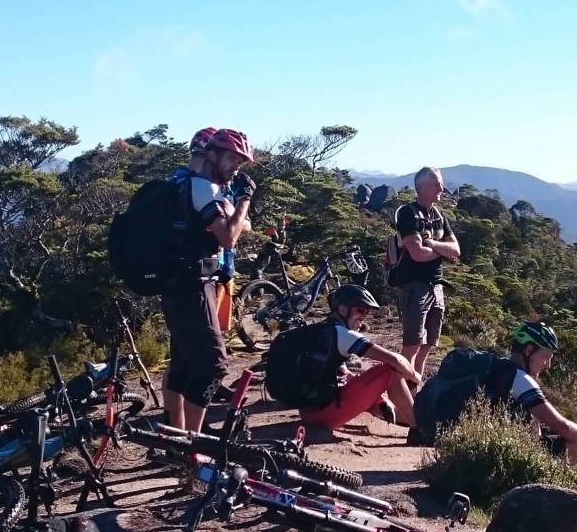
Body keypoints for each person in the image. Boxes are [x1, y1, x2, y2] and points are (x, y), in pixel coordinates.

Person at [162, 127, 255, 435]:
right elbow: (229, 237)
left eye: (240, 162)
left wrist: (234, 209)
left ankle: (176, 436)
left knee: (183, 363)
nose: (236, 167)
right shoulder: (203, 188)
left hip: (178, 280)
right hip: (194, 283)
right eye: (232, 159)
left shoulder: (184, 185)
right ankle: (193, 443)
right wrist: (243, 200)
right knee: (213, 364)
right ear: (211, 154)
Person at [417, 322, 577, 465]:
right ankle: (562, 497)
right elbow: (564, 426)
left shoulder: (497, 367)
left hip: (460, 444)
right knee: (572, 442)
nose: (548, 365)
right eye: (546, 357)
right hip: (488, 455)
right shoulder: (519, 379)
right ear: (528, 350)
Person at [268, 285, 422, 435]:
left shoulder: (325, 330)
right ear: (342, 309)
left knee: (361, 378)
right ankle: (421, 430)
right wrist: (415, 377)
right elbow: (396, 360)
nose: (364, 316)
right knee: (390, 373)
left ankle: (394, 412)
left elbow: (340, 372)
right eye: (360, 310)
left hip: (309, 411)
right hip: (325, 414)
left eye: (367, 312)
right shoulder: (343, 334)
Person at [392, 167, 460, 377]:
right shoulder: (407, 213)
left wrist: (431, 243)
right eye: (436, 183)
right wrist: (441, 250)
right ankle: (399, 397)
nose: (441, 187)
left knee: (427, 347)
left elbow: (456, 250)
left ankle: (414, 395)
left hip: (436, 287)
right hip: (414, 287)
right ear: (421, 187)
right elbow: (417, 254)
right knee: (411, 347)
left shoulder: (438, 215)